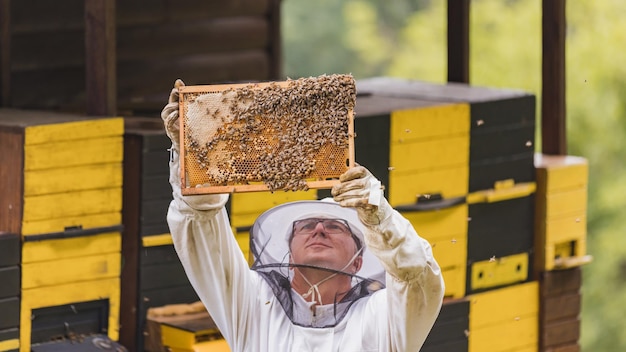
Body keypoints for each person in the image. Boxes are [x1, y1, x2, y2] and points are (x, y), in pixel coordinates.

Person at [161, 80, 445, 351]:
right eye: (306, 226)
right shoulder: (254, 303)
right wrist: (192, 152)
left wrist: (379, 216)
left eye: (336, 226)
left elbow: (418, 277)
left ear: (358, 259)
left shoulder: (382, 315)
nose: (319, 228)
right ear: (289, 252)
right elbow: (200, 222)